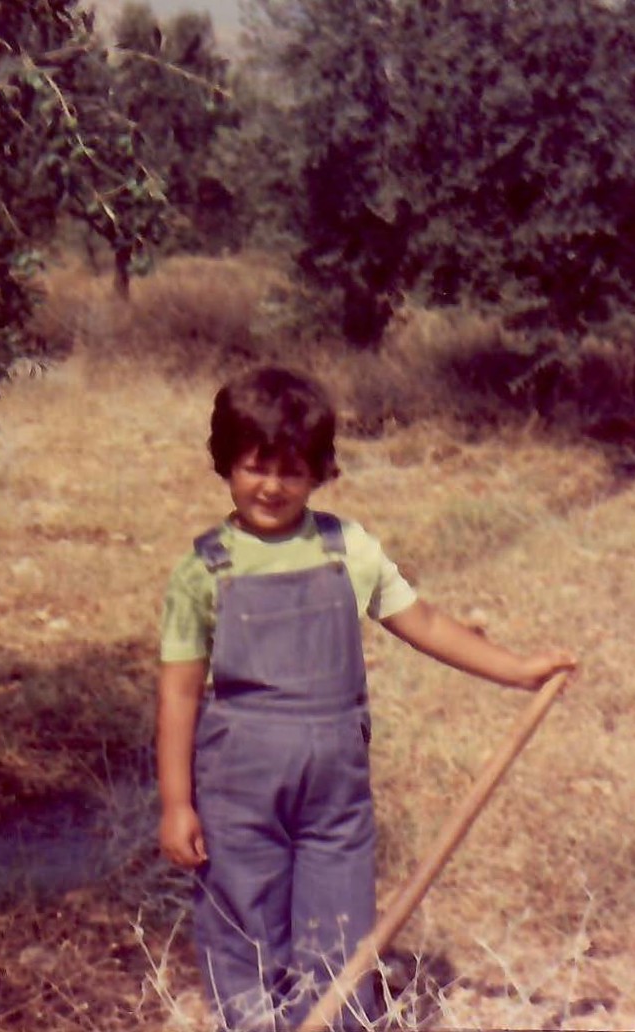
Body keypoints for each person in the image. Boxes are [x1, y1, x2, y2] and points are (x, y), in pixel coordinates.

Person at [156, 366, 577, 1031]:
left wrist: (518, 670)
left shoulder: (346, 548)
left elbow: (427, 623)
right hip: (239, 784)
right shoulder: (203, 568)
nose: (271, 486)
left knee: (340, 927)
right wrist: (178, 803)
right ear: (225, 465)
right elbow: (179, 692)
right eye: (254, 467)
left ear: (319, 473)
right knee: (244, 919)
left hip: (334, 789)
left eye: (292, 471)